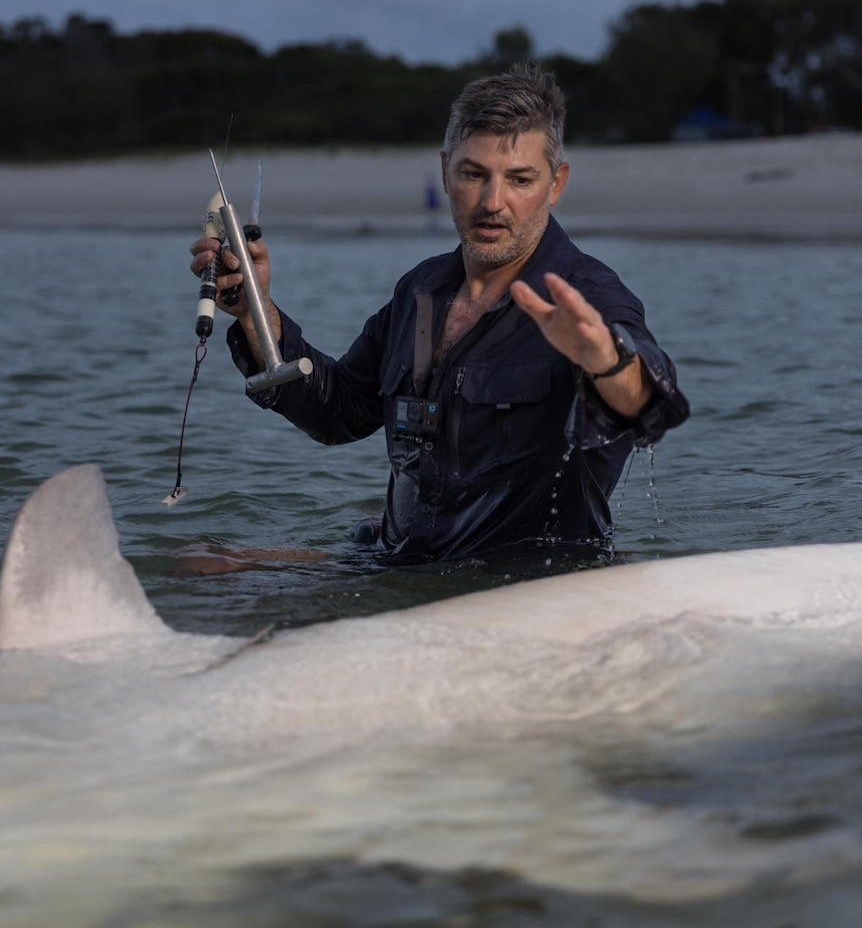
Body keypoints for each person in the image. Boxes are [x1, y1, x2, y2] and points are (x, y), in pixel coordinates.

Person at [190, 63, 689, 563]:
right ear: (447, 170)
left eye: (520, 179)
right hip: (398, 562)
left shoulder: (587, 296)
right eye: (474, 174)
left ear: (555, 184)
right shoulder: (420, 291)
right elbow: (338, 411)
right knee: (201, 564)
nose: (493, 202)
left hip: (524, 584)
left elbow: (650, 408)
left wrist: (607, 362)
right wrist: (256, 311)